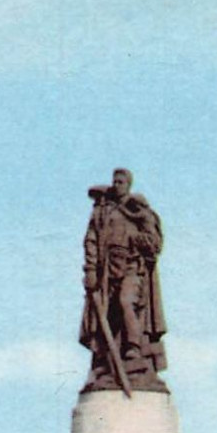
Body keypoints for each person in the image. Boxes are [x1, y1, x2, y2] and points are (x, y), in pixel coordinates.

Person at [80, 168, 167, 392]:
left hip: (131, 267)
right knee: (107, 316)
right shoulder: (103, 212)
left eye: (122, 181)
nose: (117, 184)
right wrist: (90, 269)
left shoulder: (138, 210)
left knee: (126, 302)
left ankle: (133, 349)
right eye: (115, 181)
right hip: (107, 271)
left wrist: (135, 238)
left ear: (128, 185)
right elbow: (91, 239)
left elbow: (154, 243)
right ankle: (105, 361)